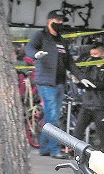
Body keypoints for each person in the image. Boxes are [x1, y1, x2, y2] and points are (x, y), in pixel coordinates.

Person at [25, 9, 82, 158]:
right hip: (46, 81)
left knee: (51, 116)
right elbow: (29, 48)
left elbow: (70, 62)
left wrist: (81, 77)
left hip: (59, 83)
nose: (60, 23)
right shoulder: (41, 36)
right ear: (49, 21)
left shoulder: (62, 40)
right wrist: (35, 55)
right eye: (57, 21)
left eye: (62, 21)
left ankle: (44, 148)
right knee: (53, 115)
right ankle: (55, 149)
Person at [73, 42, 104, 154]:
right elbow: (84, 81)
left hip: (100, 105)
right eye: (92, 54)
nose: (93, 57)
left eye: (96, 54)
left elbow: (102, 84)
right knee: (78, 131)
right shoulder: (90, 66)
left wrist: (88, 82)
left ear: (103, 53)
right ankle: (75, 153)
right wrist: (78, 82)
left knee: (101, 133)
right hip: (87, 104)